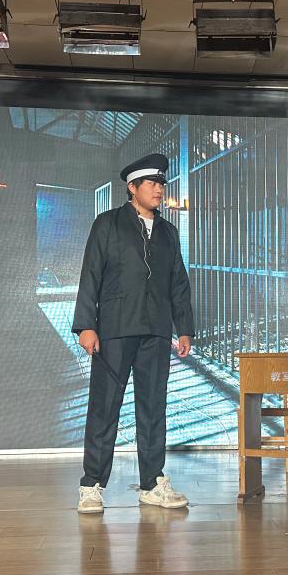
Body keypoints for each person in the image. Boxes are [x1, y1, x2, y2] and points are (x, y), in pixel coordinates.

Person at [72, 152, 195, 514]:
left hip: (155, 331)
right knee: (104, 406)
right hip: (114, 329)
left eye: (161, 184)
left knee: (154, 407)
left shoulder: (169, 232)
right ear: (132, 188)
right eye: (152, 184)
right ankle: (91, 485)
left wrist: (184, 328)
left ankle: (152, 483)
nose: (159, 190)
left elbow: (178, 283)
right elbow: (91, 274)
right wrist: (86, 325)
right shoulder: (107, 224)